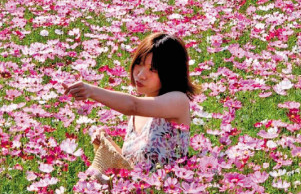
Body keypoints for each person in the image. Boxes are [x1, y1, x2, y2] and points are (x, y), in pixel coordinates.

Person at [63, 32, 200, 178]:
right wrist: (108, 145)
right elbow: (132, 165)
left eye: (152, 70)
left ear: (170, 73)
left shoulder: (178, 100)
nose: (141, 75)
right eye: (139, 64)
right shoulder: (140, 109)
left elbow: (133, 105)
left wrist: (91, 91)